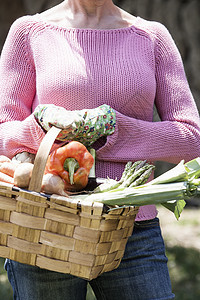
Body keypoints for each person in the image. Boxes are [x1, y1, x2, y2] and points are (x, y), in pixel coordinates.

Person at [1, 0, 200, 299]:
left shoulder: (152, 38)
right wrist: (41, 125)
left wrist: (113, 129)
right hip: (48, 226)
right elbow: (4, 129)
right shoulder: (29, 32)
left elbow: (191, 138)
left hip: (132, 230)